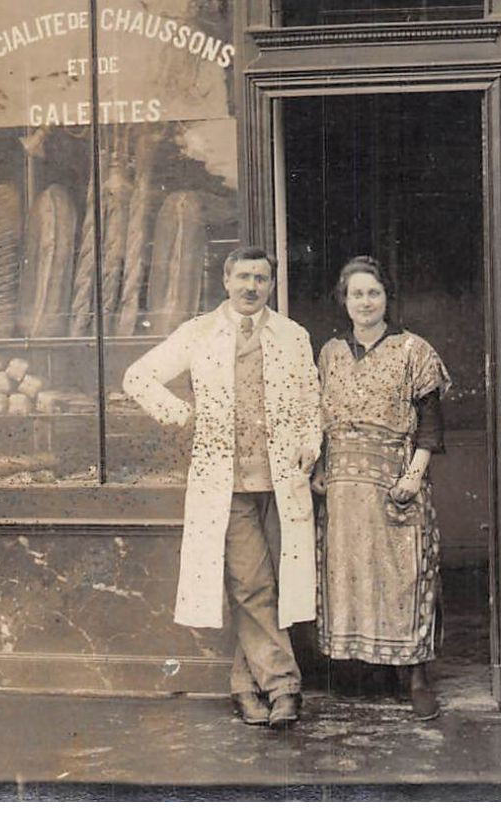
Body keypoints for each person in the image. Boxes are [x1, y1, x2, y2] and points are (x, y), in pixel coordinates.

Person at [124, 246, 322, 729]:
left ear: (271, 286)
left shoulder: (292, 336)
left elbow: (310, 398)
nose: (252, 287)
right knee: (252, 582)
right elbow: (138, 376)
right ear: (226, 282)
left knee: (267, 587)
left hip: (280, 482)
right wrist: (182, 414)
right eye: (243, 278)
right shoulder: (199, 333)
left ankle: (243, 686)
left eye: (261, 279)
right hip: (225, 484)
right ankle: (283, 686)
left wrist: (308, 444)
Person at [312, 257, 452, 720]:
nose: (365, 302)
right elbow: (318, 419)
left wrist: (414, 473)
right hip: (343, 486)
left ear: (387, 298)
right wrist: (318, 466)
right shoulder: (330, 353)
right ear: (344, 300)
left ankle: (414, 677)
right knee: (351, 578)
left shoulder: (413, 350)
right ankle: (367, 671)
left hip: (396, 482)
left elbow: (431, 422)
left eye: (373, 293)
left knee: (402, 576)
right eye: (356, 294)